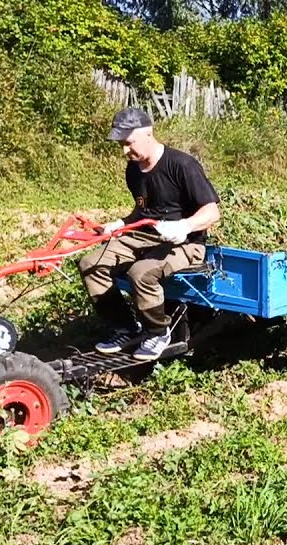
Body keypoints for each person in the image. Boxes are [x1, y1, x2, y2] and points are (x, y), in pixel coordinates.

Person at [78, 107, 222, 360]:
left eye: (129, 143)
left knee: (141, 273)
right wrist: (119, 223)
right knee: (91, 264)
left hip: (187, 243)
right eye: (121, 145)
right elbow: (144, 210)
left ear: (148, 133)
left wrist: (184, 226)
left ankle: (157, 331)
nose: (125, 151)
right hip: (144, 235)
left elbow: (212, 212)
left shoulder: (182, 165)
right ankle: (125, 327)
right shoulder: (133, 170)